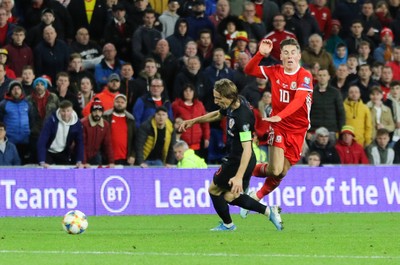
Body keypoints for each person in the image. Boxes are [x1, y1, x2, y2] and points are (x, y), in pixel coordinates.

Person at [179, 78, 283, 231]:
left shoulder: (242, 118)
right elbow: (218, 115)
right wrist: (193, 121)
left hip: (238, 160)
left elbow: (247, 149)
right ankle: (269, 211)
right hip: (240, 159)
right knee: (229, 197)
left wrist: (239, 177)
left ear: (227, 97)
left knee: (213, 190)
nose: (216, 101)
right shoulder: (235, 102)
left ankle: (228, 225)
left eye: (218, 98)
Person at [242, 38, 313, 218]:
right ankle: (242, 169)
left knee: (281, 171)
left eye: (293, 52)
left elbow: (298, 101)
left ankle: (255, 196)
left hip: (299, 130)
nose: (289, 56)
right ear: (280, 56)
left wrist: (280, 114)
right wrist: (260, 54)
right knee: (275, 170)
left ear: (298, 56)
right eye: (286, 52)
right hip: (279, 126)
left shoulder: (305, 75)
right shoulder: (275, 71)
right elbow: (248, 69)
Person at [37, 100, 84, 168]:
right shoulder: (51, 120)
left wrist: (79, 161)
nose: (65, 114)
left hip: (63, 152)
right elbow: (42, 141)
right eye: (63, 111)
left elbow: (80, 142)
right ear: (59, 110)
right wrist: (42, 161)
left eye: (68, 111)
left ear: (72, 110)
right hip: (49, 151)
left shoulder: (77, 123)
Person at [103, 94, 136, 166]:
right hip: (107, 158)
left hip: (125, 159)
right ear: (113, 103)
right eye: (117, 102)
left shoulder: (131, 119)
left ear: (126, 104)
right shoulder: (106, 117)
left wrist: (133, 155)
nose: (119, 104)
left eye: (122, 102)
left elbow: (135, 139)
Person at [81, 99, 114, 167]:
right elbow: (81, 144)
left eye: (99, 111)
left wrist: (111, 162)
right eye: (95, 111)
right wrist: (84, 162)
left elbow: (108, 144)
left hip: (95, 156)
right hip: (82, 155)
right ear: (91, 112)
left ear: (102, 112)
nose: (97, 113)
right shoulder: (83, 123)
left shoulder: (105, 125)